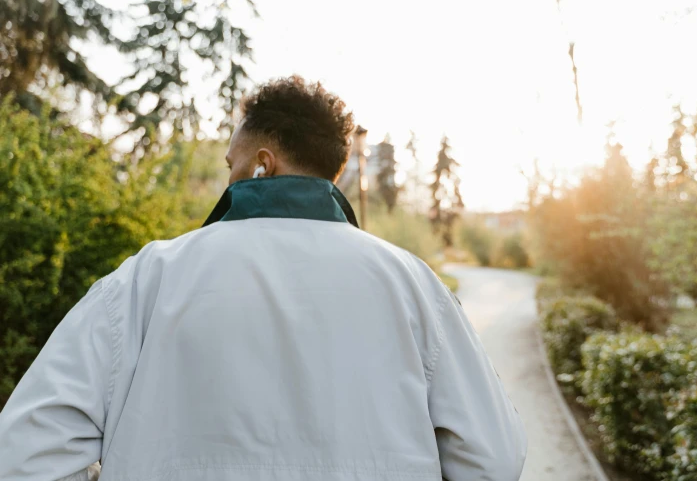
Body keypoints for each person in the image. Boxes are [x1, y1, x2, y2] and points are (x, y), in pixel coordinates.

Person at [0, 76, 526, 481]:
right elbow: (493, 456)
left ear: (261, 165)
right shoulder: (414, 285)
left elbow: (26, 451)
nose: (226, 175)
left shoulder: (147, 277)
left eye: (232, 162)